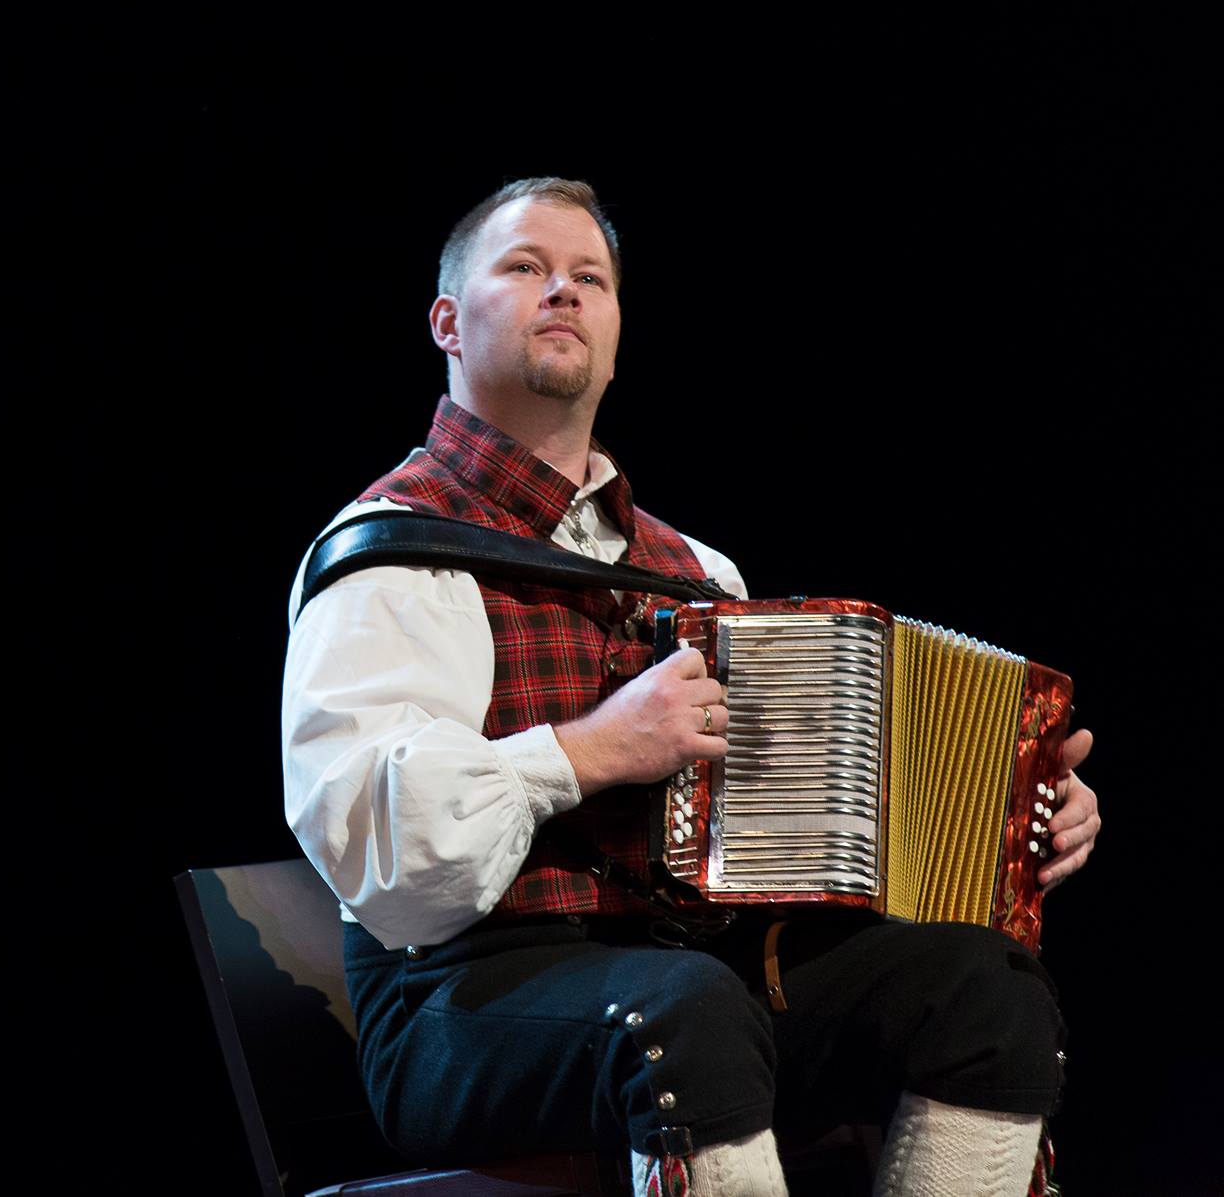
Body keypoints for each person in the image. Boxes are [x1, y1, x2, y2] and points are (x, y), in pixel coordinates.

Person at [280, 177, 1102, 1197]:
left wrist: (1005, 820)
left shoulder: (697, 576)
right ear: (446, 321)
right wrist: (592, 749)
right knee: (684, 1012)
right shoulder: (386, 555)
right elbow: (383, 863)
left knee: (984, 992)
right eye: (524, 268)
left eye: (589, 278)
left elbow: (782, 848)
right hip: (456, 1001)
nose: (563, 293)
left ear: (616, 335)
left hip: (696, 975)